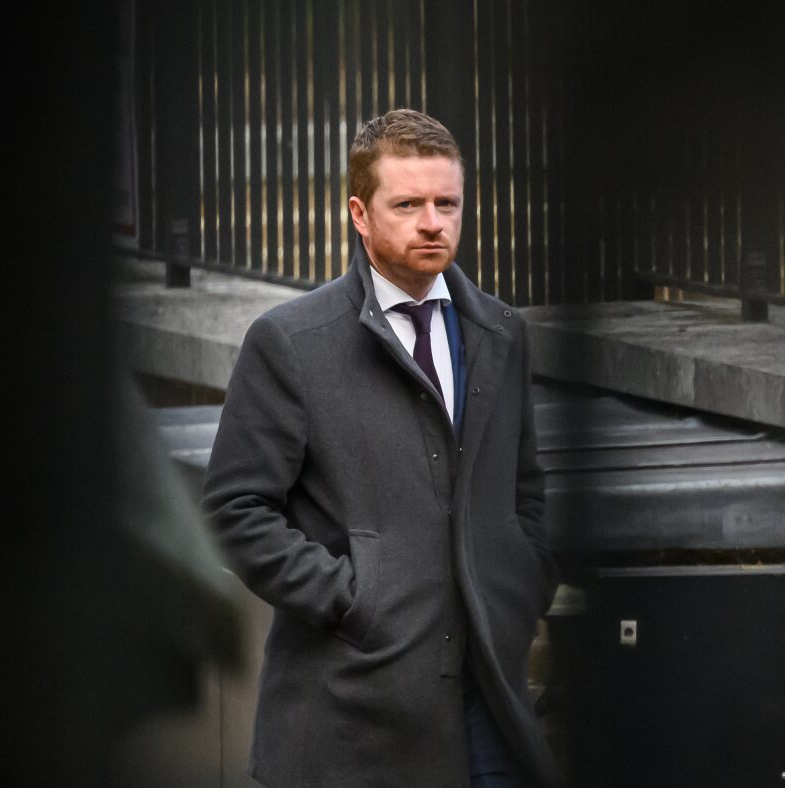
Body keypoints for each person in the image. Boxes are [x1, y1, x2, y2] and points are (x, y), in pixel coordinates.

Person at [203, 109, 558, 787]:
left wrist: (522, 582)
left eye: (447, 203)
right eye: (408, 205)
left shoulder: (501, 333)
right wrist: (354, 598)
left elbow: (525, 489)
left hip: (490, 703)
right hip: (353, 718)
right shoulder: (290, 342)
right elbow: (234, 510)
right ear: (360, 214)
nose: (432, 222)